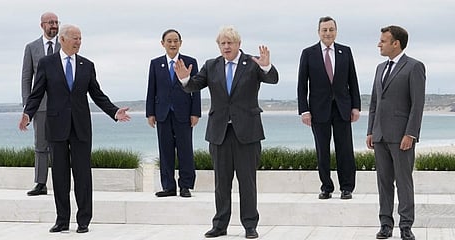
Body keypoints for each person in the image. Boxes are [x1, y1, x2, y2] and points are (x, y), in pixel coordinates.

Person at [18, 24, 131, 234]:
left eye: (80, 38)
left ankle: (83, 221)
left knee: (82, 175)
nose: (78, 42)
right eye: (75, 38)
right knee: (60, 176)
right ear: (62, 39)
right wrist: (28, 114)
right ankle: (62, 220)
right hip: (56, 126)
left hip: (80, 128)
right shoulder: (46, 63)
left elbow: (97, 94)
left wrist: (114, 112)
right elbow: (37, 93)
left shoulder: (87, 65)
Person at [174, 26, 279, 239]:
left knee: (247, 182)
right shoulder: (211, 65)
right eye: (223, 43)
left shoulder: (251, 63)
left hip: (247, 133)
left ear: (238, 44)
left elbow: (272, 79)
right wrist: (184, 79)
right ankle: (220, 224)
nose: (226, 46)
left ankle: (250, 225)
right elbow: (193, 85)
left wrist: (267, 66)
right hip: (220, 132)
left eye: (230, 42)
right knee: (221, 183)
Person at [366, 25, 425, 240]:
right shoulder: (380, 68)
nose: (379, 44)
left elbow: (417, 105)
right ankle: (385, 224)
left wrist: (411, 134)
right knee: (383, 182)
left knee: (403, 181)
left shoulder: (414, 67)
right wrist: (371, 131)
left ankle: (406, 225)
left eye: (383, 41)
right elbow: (374, 102)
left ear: (396, 43)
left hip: (402, 137)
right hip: (380, 135)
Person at [297, 16, 361, 200]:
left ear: (336, 31)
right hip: (318, 110)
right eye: (324, 30)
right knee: (322, 150)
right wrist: (304, 110)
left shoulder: (345, 52)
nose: (328, 33)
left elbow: (353, 81)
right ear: (319, 32)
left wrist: (356, 106)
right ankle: (326, 186)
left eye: (331, 29)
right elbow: (302, 85)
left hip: (342, 108)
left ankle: (347, 187)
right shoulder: (308, 53)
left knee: (345, 149)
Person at [146, 29, 201, 198]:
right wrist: (150, 113)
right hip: (162, 113)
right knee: (165, 151)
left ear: (180, 43)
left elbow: (196, 90)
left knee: (185, 150)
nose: (172, 44)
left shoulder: (190, 62)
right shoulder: (155, 63)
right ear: (163, 43)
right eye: (169, 41)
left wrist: (195, 113)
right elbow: (151, 89)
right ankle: (168, 186)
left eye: (176, 40)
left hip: (184, 113)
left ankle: (185, 185)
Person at [21, 12, 61, 196]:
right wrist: (27, 108)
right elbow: (26, 78)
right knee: (40, 145)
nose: (54, 25)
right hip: (41, 106)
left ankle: (61, 182)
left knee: (60, 145)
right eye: (50, 22)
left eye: (56, 22)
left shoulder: (65, 45)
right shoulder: (31, 48)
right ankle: (40, 183)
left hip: (62, 105)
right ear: (42, 25)